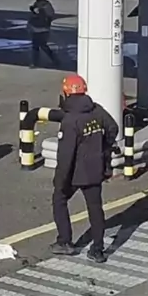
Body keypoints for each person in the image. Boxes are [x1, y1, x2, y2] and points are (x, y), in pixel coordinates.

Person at [51, 74, 119, 263]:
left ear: (65, 93)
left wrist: (60, 180)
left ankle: (65, 241)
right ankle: (97, 249)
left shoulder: (70, 120)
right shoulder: (97, 110)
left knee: (59, 199)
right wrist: (104, 148)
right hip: (95, 168)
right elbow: (113, 128)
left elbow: (65, 156)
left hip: (75, 172)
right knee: (95, 208)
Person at [27, 0, 59, 68]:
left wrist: (41, 13)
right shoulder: (36, 4)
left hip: (43, 29)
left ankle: (37, 62)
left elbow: (50, 15)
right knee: (37, 46)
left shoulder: (46, 4)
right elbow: (34, 16)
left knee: (42, 46)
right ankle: (35, 62)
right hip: (36, 28)